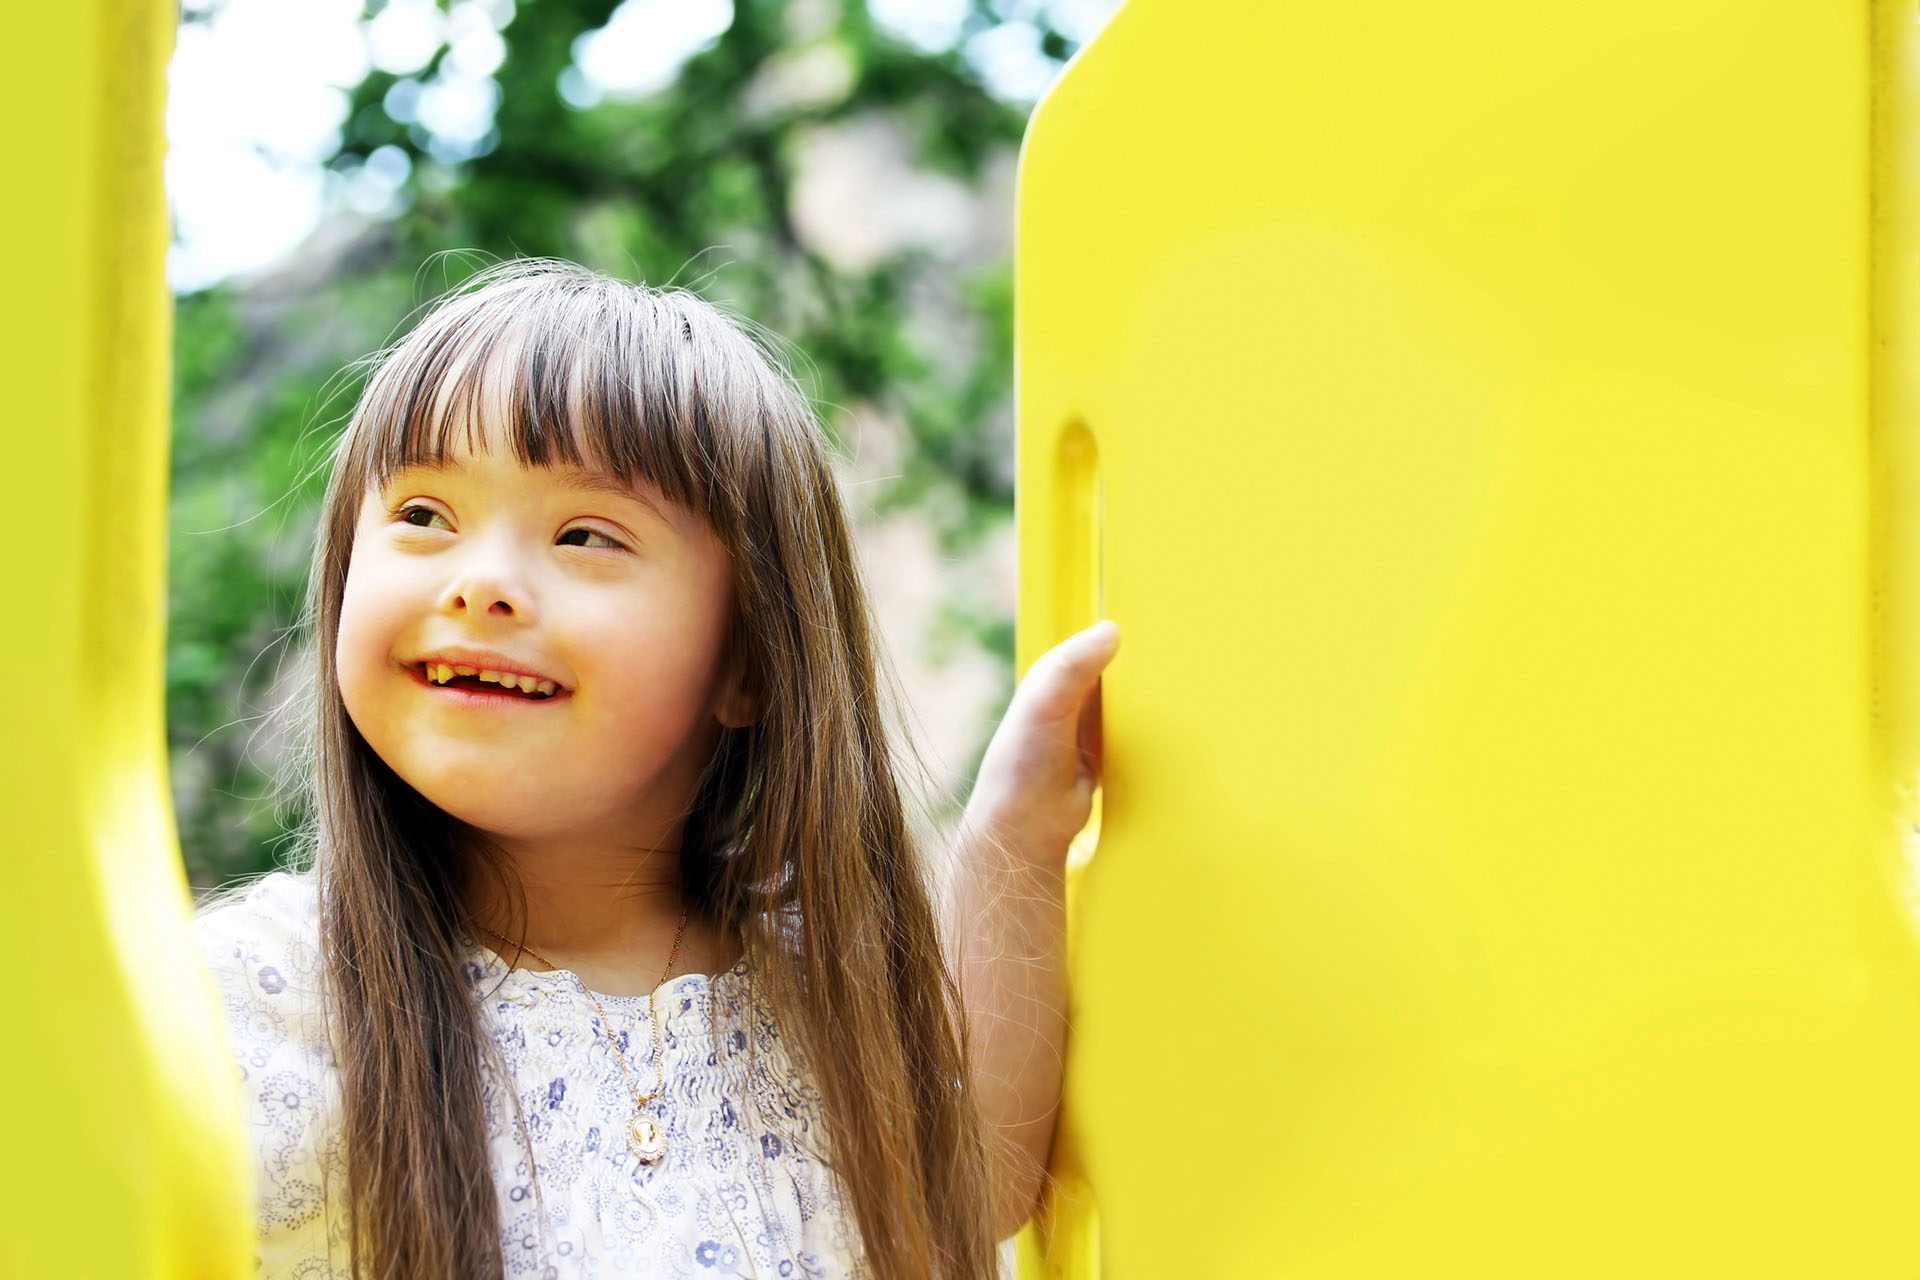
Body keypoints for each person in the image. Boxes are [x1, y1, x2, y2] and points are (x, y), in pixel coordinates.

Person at [189, 256, 1122, 1280]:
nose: (482, 580)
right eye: (422, 515)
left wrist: (1017, 841)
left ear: (750, 658)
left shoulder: (821, 992)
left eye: (585, 533)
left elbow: (972, 1188)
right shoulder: (243, 998)